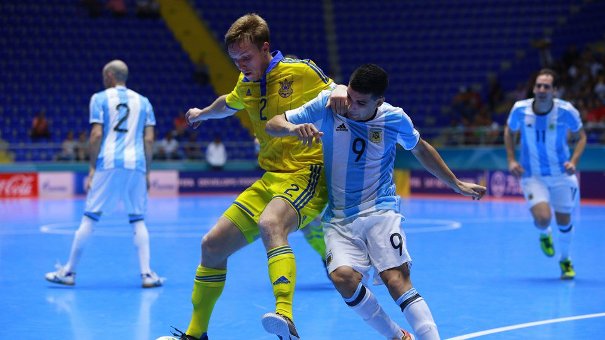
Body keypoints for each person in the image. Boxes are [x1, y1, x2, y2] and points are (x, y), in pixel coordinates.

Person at [160, 13, 347, 340]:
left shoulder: (299, 71)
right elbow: (228, 103)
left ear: (265, 48)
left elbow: (337, 90)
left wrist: (343, 87)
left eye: (246, 57)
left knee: (271, 224)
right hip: (272, 178)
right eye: (235, 60)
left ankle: (285, 318)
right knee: (212, 246)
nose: (241, 65)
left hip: (309, 173)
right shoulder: (245, 84)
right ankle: (195, 334)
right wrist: (202, 114)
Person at [266, 64, 486, 339]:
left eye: (360, 103)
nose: (350, 106)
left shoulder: (394, 119)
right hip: (339, 218)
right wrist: (293, 127)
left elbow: (421, 149)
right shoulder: (329, 104)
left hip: (380, 210)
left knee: (396, 280)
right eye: (350, 97)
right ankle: (397, 336)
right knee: (342, 278)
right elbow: (272, 124)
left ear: (378, 102)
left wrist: (457, 183)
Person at [45, 60, 163, 288]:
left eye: (103, 75)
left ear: (109, 75)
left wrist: (91, 168)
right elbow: (149, 140)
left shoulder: (99, 99)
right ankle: (147, 274)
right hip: (136, 164)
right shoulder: (144, 102)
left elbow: (96, 135)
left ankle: (69, 272)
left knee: (90, 217)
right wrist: (147, 171)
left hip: (108, 163)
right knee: (138, 219)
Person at [504, 68, 586, 280]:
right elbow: (509, 131)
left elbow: (581, 136)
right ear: (534, 88)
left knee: (564, 221)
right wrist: (512, 159)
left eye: (546, 86)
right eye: (538, 85)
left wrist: (574, 160)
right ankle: (544, 234)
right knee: (542, 219)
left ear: (555, 90)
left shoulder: (566, 111)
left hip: (561, 173)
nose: (541, 89)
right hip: (532, 175)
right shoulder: (520, 109)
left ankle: (565, 261)